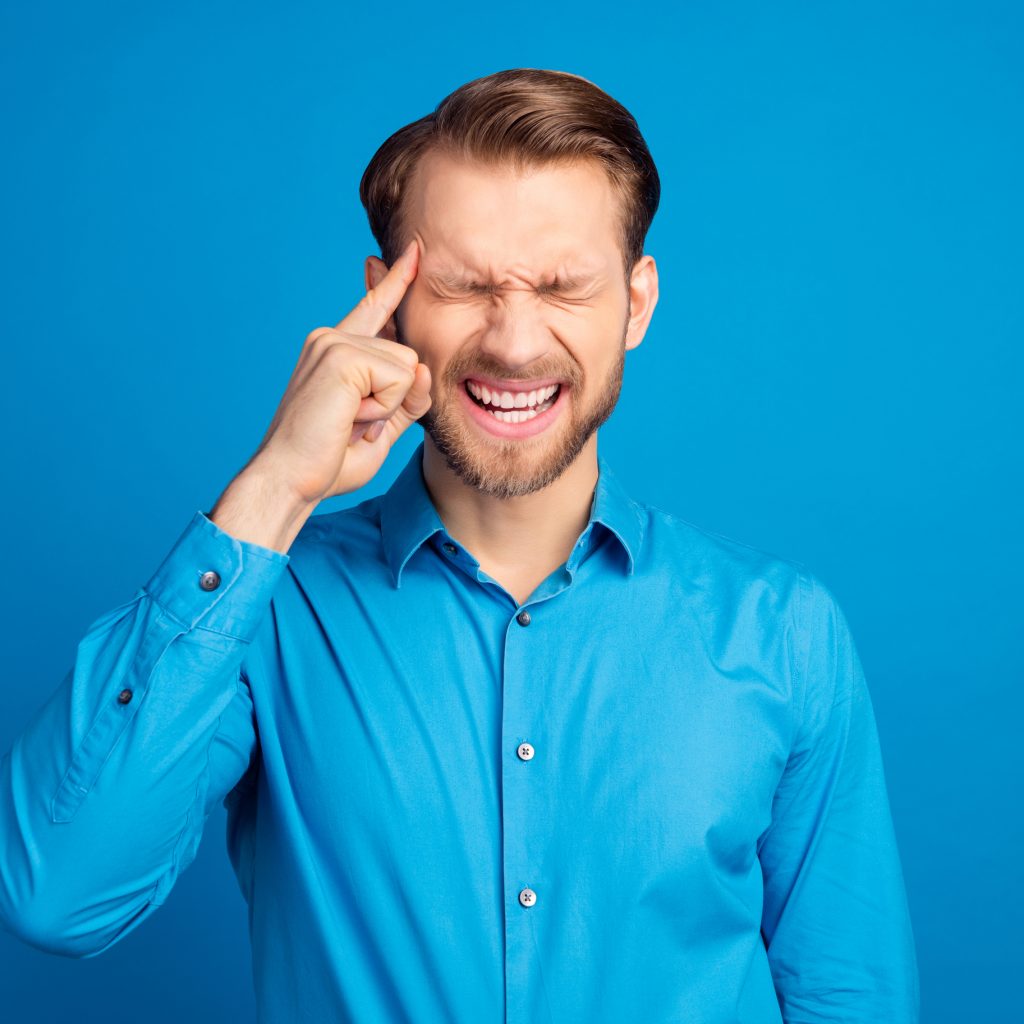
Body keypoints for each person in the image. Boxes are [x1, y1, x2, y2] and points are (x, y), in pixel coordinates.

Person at [0, 68, 919, 1022]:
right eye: (464, 285)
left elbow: (850, 995)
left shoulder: (785, 633)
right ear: (386, 302)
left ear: (637, 304)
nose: (515, 343)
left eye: (563, 286)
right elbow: (56, 895)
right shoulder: (264, 610)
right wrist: (273, 487)